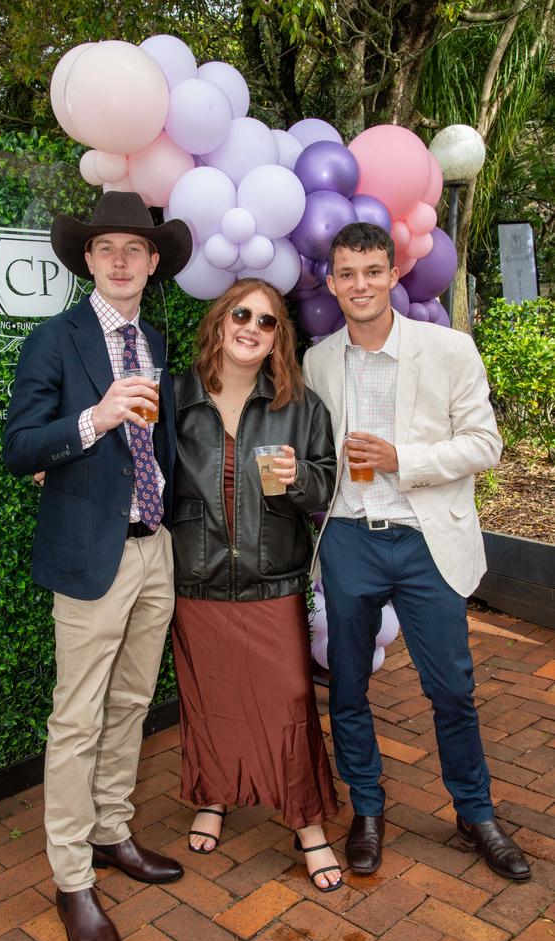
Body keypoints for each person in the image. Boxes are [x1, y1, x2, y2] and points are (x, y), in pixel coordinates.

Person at [303, 222, 530, 883]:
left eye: (372, 270)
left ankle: (475, 812)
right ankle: (367, 811)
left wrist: (406, 460)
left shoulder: (450, 349)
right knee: (347, 687)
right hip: (348, 539)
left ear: (395, 273)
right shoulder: (318, 360)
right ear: (331, 282)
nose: (360, 284)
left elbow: (485, 446)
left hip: (428, 540)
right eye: (346, 273)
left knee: (451, 689)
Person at [3, 192, 193, 941]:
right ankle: (72, 877)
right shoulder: (55, 340)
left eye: (135, 249)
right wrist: (96, 418)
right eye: (107, 248)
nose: (121, 260)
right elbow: (20, 447)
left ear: (153, 263)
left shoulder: (156, 336)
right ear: (88, 259)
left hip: (154, 550)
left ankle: (113, 832)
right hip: (90, 554)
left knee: (133, 701)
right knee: (77, 717)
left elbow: (165, 447)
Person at [171, 277, 342, 892]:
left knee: (290, 703)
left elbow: (325, 487)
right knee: (208, 696)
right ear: (219, 321)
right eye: (241, 313)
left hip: (274, 579)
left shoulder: (299, 405)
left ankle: (308, 824)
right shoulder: (175, 399)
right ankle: (213, 795)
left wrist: (297, 480)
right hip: (197, 578)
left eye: (267, 322)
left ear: (278, 339)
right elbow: (143, 478)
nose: (251, 327)